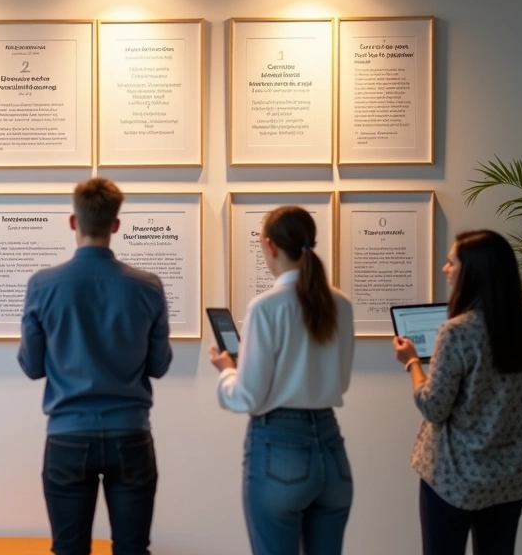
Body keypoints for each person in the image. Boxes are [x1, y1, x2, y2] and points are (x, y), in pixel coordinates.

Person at [18, 177, 173, 555]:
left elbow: (32, 366)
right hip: (130, 434)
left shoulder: (43, 285)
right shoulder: (148, 286)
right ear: (116, 225)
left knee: (69, 549)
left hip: (68, 435)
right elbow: (159, 364)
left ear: (74, 222)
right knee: (132, 548)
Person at [392, 230, 522, 555]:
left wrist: (412, 362)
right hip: (509, 481)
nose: (445, 269)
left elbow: (433, 406)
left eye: (451, 262)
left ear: (471, 272)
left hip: (452, 479)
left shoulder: (457, 332)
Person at [209, 206, 356, 555]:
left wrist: (227, 369)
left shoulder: (265, 307)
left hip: (279, 448)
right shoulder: (341, 304)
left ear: (270, 246)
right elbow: (341, 381)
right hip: (332, 451)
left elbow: (247, 397)